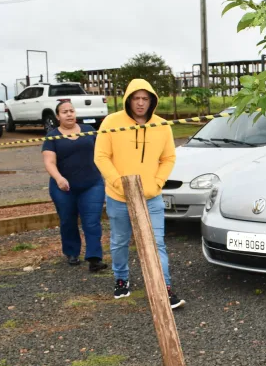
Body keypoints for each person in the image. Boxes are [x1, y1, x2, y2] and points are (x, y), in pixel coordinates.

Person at [94, 79, 182, 309]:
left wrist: (157, 182)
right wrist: (117, 182)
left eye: (145, 98)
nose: (140, 103)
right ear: (128, 99)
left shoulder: (162, 125)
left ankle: (164, 287)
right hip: (119, 196)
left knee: (157, 243)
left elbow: (168, 158)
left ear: (152, 101)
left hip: (151, 197)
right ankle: (121, 279)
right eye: (136, 98)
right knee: (120, 241)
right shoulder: (111, 122)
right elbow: (101, 156)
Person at [41, 101, 108, 272]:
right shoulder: (52, 137)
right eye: (64, 112)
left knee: (92, 222)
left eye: (71, 111)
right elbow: (49, 162)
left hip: (92, 185)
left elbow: (103, 152)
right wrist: (59, 178)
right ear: (58, 116)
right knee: (68, 221)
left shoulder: (89, 130)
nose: (69, 114)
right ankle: (72, 252)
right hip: (63, 188)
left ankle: (94, 258)